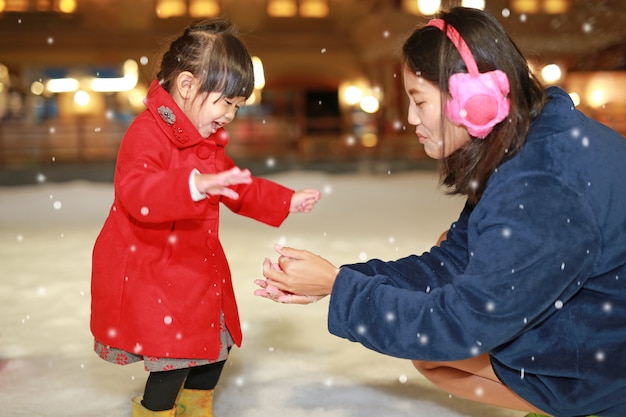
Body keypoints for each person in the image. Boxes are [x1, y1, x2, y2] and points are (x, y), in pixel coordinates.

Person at [255, 7, 626, 417]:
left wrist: (340, 288)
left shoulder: (541, 183)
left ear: (475, 100)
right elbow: (451, 260)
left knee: (435, 350)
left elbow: (460, 326)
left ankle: (587, 405)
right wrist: (336, 279)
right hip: (596, 323)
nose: (411, 118)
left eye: (419, 100)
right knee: (436, 337)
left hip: (610, 354)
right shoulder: (528, 144)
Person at [90, 18, 321, 417]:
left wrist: (284, 200)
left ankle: (196, 408)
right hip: (153, 268)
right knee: (175, 356)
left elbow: (236, 184)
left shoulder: (202, 139)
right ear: (186, 86)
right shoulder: (146, 133)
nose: (230, 115)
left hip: (195, 266)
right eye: (225, 102)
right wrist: (192, 186)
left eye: (237, 105)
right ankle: (156, 411)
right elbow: (137, 192)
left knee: (215, 349)